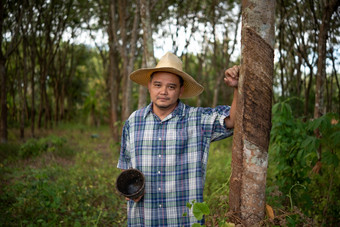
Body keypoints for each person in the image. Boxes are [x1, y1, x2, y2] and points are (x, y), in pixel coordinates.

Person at [117, 52, 239, 226]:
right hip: (143, 220)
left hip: (182, 221)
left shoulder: (197, 119)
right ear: (149, 86)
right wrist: (131, 193)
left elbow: (232, 121)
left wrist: (236, 88)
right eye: (157, 85)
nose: (163, 92)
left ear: (181, 90)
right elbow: (126, 169)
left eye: (171, 87)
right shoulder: (133, 121)